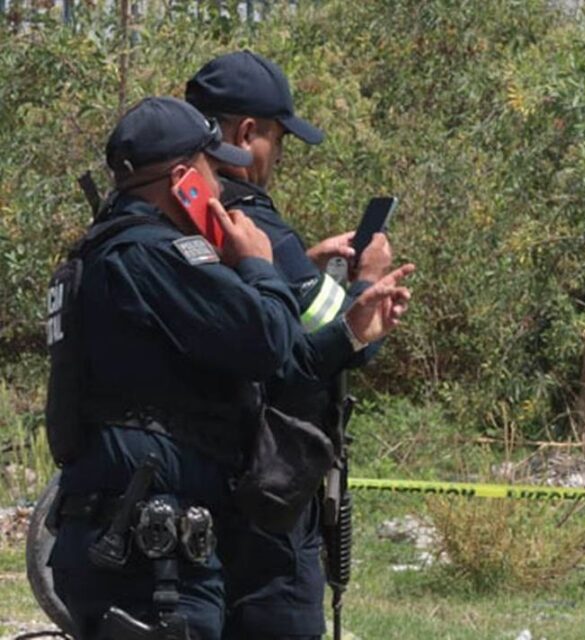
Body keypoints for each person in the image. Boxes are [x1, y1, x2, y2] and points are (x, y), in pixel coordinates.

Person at [46, 96, 411, 640]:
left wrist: (351, 333)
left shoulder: (107, 254)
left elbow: (268, 367)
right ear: (184, 182)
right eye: (213, 172)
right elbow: (267, 342)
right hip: (151, 561)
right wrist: (258, 262)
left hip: (136, 543)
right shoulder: (153, 254)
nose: (219, 189)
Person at [184, 50, 395, 640]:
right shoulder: (255, 221)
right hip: (268, 489)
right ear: (246, 133)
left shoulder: (182, 210)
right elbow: (350, 339)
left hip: (195, 480)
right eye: (278, 140)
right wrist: (368, 279)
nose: (278, 157)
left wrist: (300, 263)